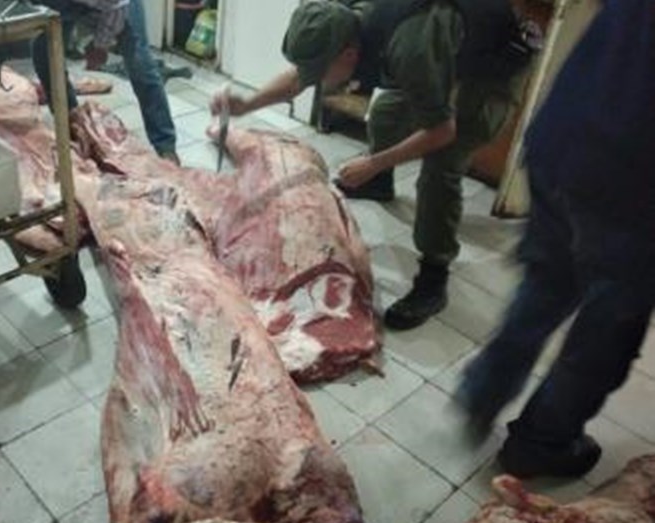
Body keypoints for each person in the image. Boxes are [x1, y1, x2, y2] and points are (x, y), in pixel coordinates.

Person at [211, 0, 533, 330]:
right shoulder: (349, 25)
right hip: (441, 55)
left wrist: (374, 163)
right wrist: (246, 104)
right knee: (385, 112)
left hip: (488, 73)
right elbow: (299, 78)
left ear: (349, 55)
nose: (317, 83)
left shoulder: (411, 50)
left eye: (320, 73)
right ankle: (380, 186)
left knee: (441, 168)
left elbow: (441, 131)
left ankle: (434, 277)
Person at [454, 0, 655, 479]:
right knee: (607, 326)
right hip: (635, 181)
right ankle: (542, 442)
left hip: (564, 135)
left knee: (547, 280)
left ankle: (483, 391)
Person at [32, 0, 180, 164]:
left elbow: (117, 7)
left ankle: (165, 146)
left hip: (121, 6)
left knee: (139, 63)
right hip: (71, 5)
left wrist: (100, 45)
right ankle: (75, 125)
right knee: (43, 52)